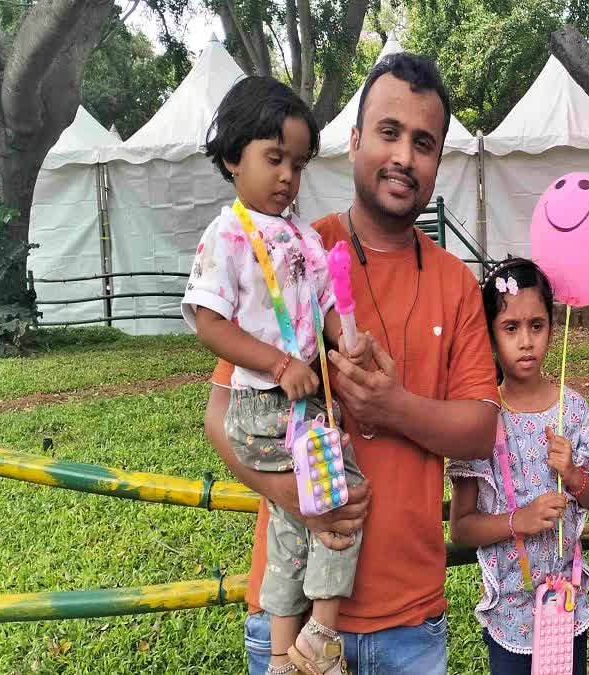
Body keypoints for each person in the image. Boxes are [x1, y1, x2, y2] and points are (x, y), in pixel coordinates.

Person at [204, 53, 500, 674]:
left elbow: (479, 428)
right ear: (356, 139)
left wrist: (394, 408)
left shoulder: (455, 283)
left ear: (439, 161)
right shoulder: (287, 251)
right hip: (288, 620)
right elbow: (221, 417)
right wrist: (293, 494)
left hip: (409, 624)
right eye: (389, 133)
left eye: (423, 143)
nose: (403, 157)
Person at [183, 76, 372, 675]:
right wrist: (278, 364)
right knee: (343, 490)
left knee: (295, 522)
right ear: (233, 158)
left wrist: (350, 337)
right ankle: (321, 635)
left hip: (298, 407)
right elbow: (209, 322)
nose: (288, 176)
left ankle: (284, 656)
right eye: (274, 158)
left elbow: (326, 308)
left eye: (299, 162)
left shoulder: (300, 237)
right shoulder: (228, 234)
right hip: (262, 408)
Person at [447, 258, 589, 675]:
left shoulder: (571, 410)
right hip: (510, 618)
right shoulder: (481, 419)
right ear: (490, 334)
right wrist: (518, 520)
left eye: (536, 326)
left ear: (552, 330)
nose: (525, 341)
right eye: (510, 328)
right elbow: (462, 528)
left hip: (566, 607)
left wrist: (574, 476)